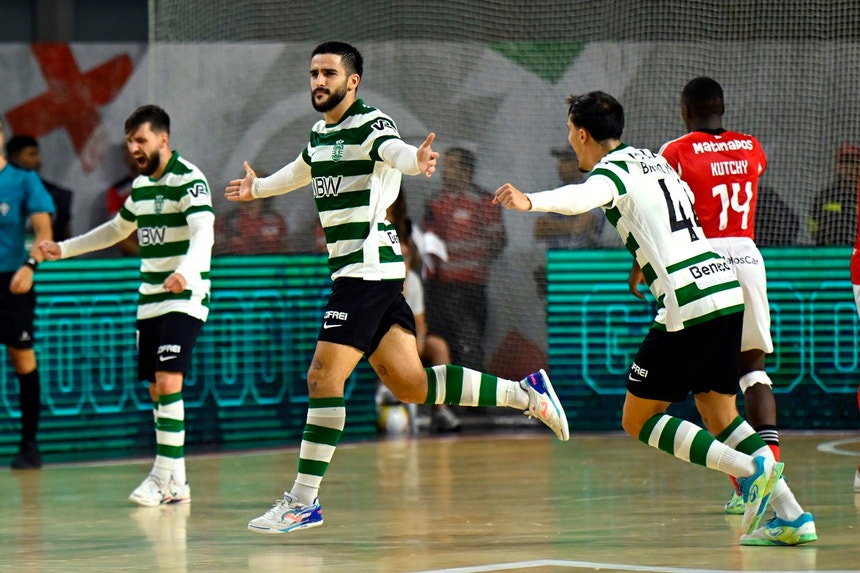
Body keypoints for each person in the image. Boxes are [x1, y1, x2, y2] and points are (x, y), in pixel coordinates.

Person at [224, 41, 568, 534]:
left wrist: (417, 159)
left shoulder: (372, 124)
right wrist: (257, 188)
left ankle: (303, 501)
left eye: (328, 73)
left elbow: (396, 152)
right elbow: (297, 173)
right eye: (314, 73)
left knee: (322, 378)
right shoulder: (321, 134)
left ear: (352, 81)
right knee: (411, 383)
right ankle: (525, 393)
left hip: (367, 273)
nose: (318, 82)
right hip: (366, 276)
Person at [494, 90, 816, 546]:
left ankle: (750, 469)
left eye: (570, 133)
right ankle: (793, 515)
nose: (570, 142)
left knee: (638, 419)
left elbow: (581, 197)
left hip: (688, 301)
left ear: (583, 135)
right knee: (720, 413)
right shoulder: (653, 159)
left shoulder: (611, 172)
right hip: (724, 288)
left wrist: (528, 200)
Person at [38, 105, 214, 506]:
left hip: (184, 296)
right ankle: (178, 482)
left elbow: (204, 231)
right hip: (150, 299)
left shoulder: (188, 179)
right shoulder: (141, 186)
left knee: (170, 381)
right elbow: (118, 229)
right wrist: (63, 249)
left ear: (163, 140)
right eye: (130, 141)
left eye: (141, 140)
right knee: (157, 390)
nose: (134, 148)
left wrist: (186, 272)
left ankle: (159, 477)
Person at [646, 77, 781, 515]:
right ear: (722, 108)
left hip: (703, 261)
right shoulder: (751, 147)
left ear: (686, 110)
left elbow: (663, 211)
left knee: (712, 389)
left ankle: (746, 484)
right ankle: (770, 466)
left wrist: (641, 264)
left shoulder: (676, 151)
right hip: (747, 251)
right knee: (754, 370)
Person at [0, 117, 54, 469]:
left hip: (12, 281)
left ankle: (29, 446)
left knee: (22, 358)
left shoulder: (21, 179)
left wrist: (30, 266)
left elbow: (44, 230)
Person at [422, 147, 506, 369]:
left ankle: (473, 401)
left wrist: (479, 261)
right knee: (439, 345)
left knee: (469, 345)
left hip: (469, 289)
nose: (445, 170)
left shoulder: (483, 200)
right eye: (445, 164)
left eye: (451, 165)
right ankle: (441, 399)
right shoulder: (435, 201)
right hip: (438, 287)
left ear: (465, 170)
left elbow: (499, 239)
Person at [533, 147, 604, 249]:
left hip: (584, 257)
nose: (560, 165)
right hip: (556, 257)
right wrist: (568, 226)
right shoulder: (555, 192)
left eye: (566, 160)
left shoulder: (592, 190)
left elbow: (580, 228)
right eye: (560, 161)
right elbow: (538, 232)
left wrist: (552, 226)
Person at [5, 135, 73, 241]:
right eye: (31, 154)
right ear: (13, 157)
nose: (38, 160)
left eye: (38, 154)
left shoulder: (56, 194)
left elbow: (65, 234)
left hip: (47, 255)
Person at [809, 143, 860, 245]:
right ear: (837, 166)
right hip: (831, 254)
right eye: (844, 162)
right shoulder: (825, 196)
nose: (848, 167)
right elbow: (813, 226)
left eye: (853, 162)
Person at [214, 192, 289, 255]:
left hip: (269, 265)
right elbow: (215, 245)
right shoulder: (228, 220)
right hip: (235, 266)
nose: (250, 201)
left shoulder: (274, 220)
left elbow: (284, 245)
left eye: (254, 197)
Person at [104, 145, 140, 257]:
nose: (132, 152)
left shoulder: (169, 185)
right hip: (133, 263)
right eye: (127, 148)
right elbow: (116, 233)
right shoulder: (117, 192)